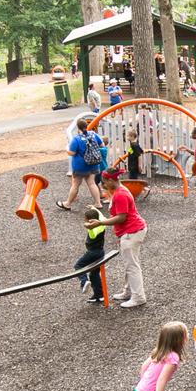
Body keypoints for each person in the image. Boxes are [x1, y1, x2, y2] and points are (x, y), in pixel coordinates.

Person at [91, 172, 149, 308]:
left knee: (132, 265)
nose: (103, 185)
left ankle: (138, 297)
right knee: (131, 264)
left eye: (104, 182)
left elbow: (121, 217)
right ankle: (129, 291)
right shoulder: (120, 190)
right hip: (132, 231)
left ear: (111, 180)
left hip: (131, 232)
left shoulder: (120, 195)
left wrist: (101, 223)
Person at [60, 118, 106, 210]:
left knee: (76, 184)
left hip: (80, 166)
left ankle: (68, 203)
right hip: (94, 163)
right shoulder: (94, 134)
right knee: (92, 183)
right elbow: (102, 146)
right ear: (86, 126)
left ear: (78, 128)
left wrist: (66, 149)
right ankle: (98, 203)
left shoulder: (76, 139)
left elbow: (72, 153)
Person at [75, 207, 110, 304]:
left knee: (78, 265)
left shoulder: (92, 230)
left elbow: (88, 226)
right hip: (100, 252)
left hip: (92, 253)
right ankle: (99, 296)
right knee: (94, 274)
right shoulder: (102, 225)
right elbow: (102, 217)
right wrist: (94, 208)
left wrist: (87, 224)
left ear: (89, 220)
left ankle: (84, 281)